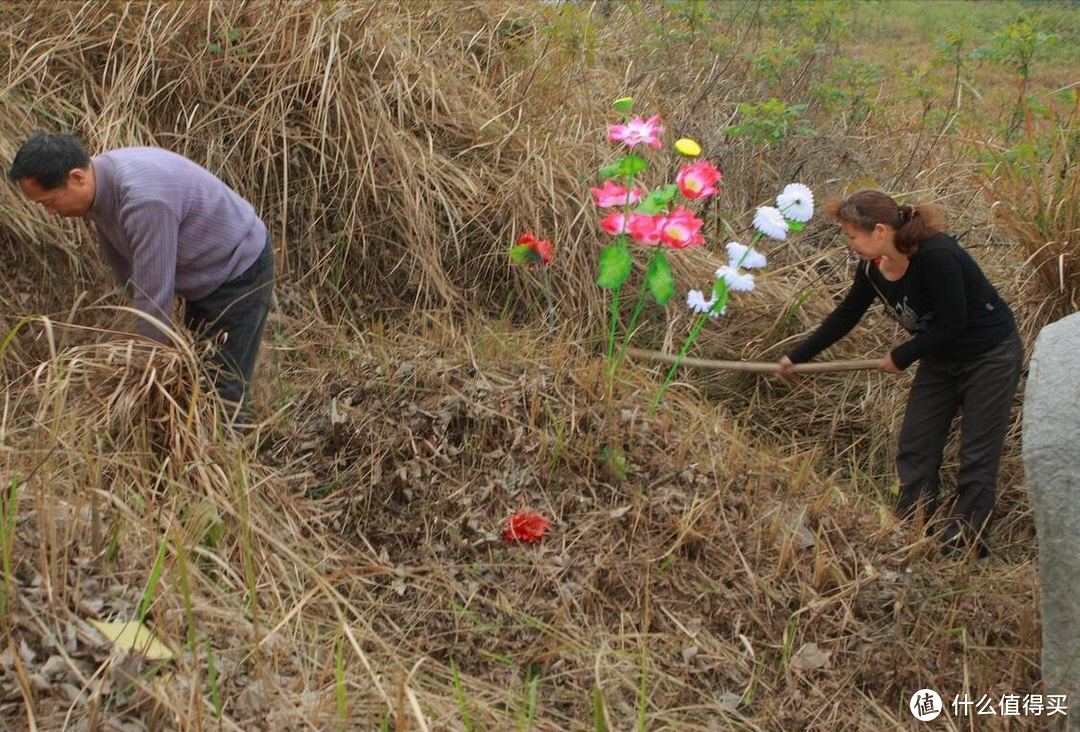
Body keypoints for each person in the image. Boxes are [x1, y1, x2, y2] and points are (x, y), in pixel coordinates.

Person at [777, 190, 1022, 558]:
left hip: (990, 355)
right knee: (916, 445)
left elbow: (954, 322)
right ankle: (912, 526)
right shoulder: (872, 270)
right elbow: (845, 316)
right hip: (940, 358)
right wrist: (797, 357)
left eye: (852, 235)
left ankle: (964, 544)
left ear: (879, 231)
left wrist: (901, 356)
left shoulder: (937, 255)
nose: (850, 244)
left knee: (977, 455)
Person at [8, 132, 274, 428]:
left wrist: (145, 373)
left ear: (77, 177)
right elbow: (130, 271)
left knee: (222, 388)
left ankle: (230, 461)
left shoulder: (143, 199)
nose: (51, 212)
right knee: (198, 376)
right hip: (200, 273)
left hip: (237, 267)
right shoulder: (100, 185)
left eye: (50, 202)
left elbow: (154, 299)